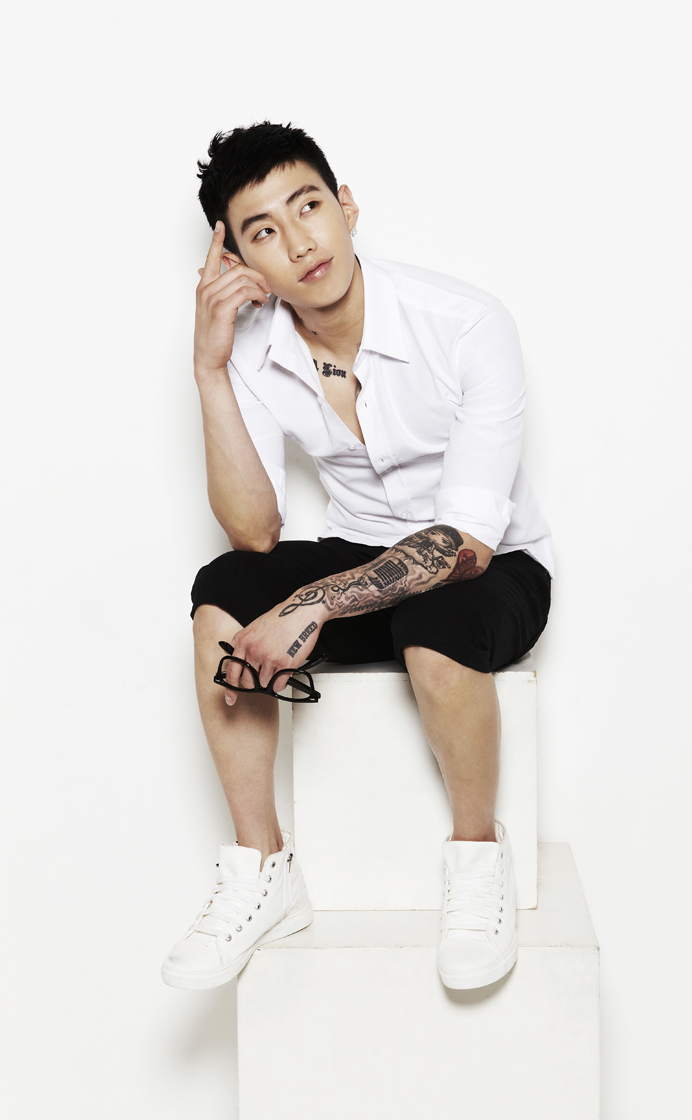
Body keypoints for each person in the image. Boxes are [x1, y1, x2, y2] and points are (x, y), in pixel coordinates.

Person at [161, 122, 553, 992]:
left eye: (309, 207)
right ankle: (263, 870)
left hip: (495, 567)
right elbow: (253, 532)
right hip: (363, 552)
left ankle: (477, 859)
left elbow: (465, 540)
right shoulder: (256, 351)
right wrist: (209, 370)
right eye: (265, 231)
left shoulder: (466, 323)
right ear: (238, 263)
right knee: (222, 589)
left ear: (346, 205)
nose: (301, 243)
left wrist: (313, 604)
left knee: (432, 623)